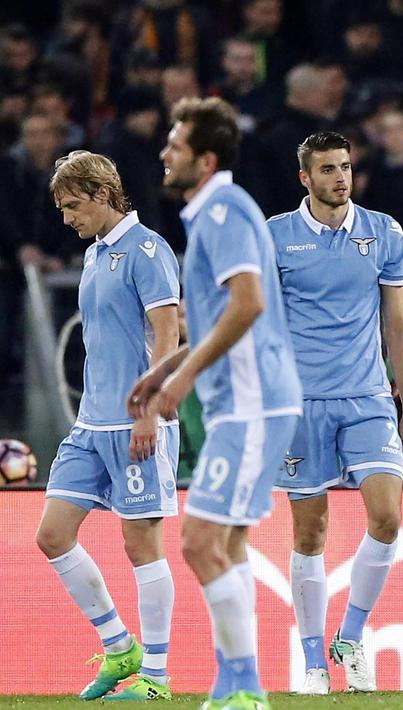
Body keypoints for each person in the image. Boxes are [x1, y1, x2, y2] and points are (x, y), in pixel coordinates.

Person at [128, 97, 302, 710]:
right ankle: (234, 685)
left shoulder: (223, 207)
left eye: (174, 145)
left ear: (203, 159)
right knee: (225, 546)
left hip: (252, 403)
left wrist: (180, 382)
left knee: (200, 542)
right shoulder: (212, 212)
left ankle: (248, 688)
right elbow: (220, 318)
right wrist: (163, 370)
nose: (162, 153)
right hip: (251, 402)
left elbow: (249, 303)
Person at [267, 131, 403, 694]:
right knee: (310, 534)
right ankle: (312, 662)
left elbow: (397, 323)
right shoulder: (275, 237)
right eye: (328, 169)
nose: (340, 177)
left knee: (388, 517)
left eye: (347, 167)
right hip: (299, 405)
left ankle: (350, 637)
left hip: (368, 399)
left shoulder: (384, 232)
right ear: (305, 178)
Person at [34, 150, 181, 702]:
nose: (67, 218)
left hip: (133, 424)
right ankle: (121, 648)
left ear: (101, 194)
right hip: (90, 425)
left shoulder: (147, 250)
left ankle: (159, 680)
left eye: (73, 206)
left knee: (141, 544)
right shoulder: (98, 253)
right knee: (51, 535)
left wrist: (149, 409)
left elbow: (167, 336)